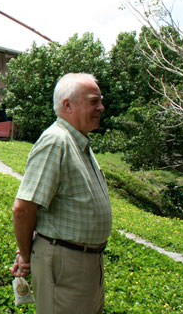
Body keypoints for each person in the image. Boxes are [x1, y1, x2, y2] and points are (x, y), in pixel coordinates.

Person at [10, 73, 112, 314]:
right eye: (93, 101)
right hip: (67, 264)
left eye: (100, 101)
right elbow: (23, 209)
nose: (101, 107)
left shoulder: (77, 142)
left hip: (84, 263)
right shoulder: (56, 142)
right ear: (68, 105)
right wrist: (25, 256)